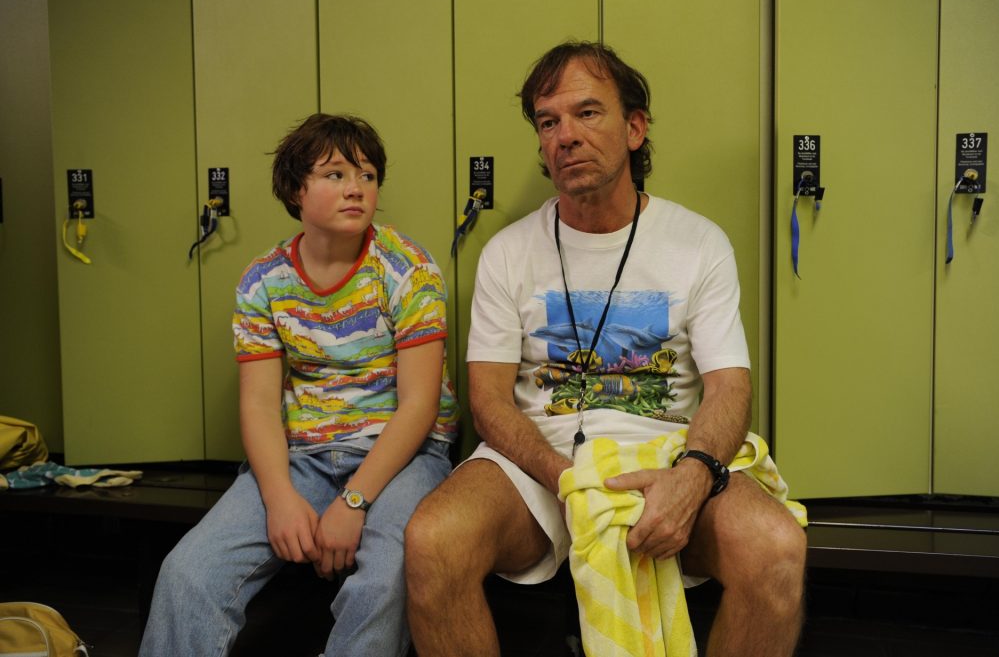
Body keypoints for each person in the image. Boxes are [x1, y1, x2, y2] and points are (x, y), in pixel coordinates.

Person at [405, 42, 806, 657]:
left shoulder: (698, 244)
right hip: (540, 467)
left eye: (587, 113)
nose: (565, 135)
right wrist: (567, 480)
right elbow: (488, 400)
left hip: (666, 456)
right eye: (548, 122)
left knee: (775, 547)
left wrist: (692, 477)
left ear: (635, 129)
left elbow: (730, 387)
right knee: (433, 540)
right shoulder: (508, 252)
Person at [140, 113, 458, 657]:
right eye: (335, 174)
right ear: (295, 189)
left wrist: (354, 501)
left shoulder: (408, 269)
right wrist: (280, 498)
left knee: (385, 576)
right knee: (188, 572)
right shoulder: (264, 279)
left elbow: (419, 405)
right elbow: (260, 405)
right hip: (302, 456)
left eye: (367, 175)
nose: (356, 188)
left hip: (404, 455)